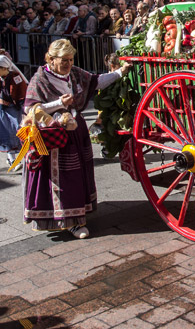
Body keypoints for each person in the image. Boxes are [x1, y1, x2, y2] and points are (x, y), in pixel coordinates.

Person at [23, 39, 131, 239]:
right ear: (51, 59)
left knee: (78, 174)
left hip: (76, 130)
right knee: (62, 177)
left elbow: (96, 81)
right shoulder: (39, 79)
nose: (68, 64)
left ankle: (79, 215)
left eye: (71, 59)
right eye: (64, 60)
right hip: (54, 134)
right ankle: (68, 221)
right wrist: (57, 103)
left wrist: (119, 73)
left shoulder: (74, 73)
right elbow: (31, 109)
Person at [0, 55, 27, 170]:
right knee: (5, 134)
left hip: (15, 111)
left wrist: (24, 109)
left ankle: (24, 157)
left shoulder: (16, 77)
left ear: (4, 68)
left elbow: (21, 93)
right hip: (2, 111)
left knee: (18, 132)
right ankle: (11, 159)